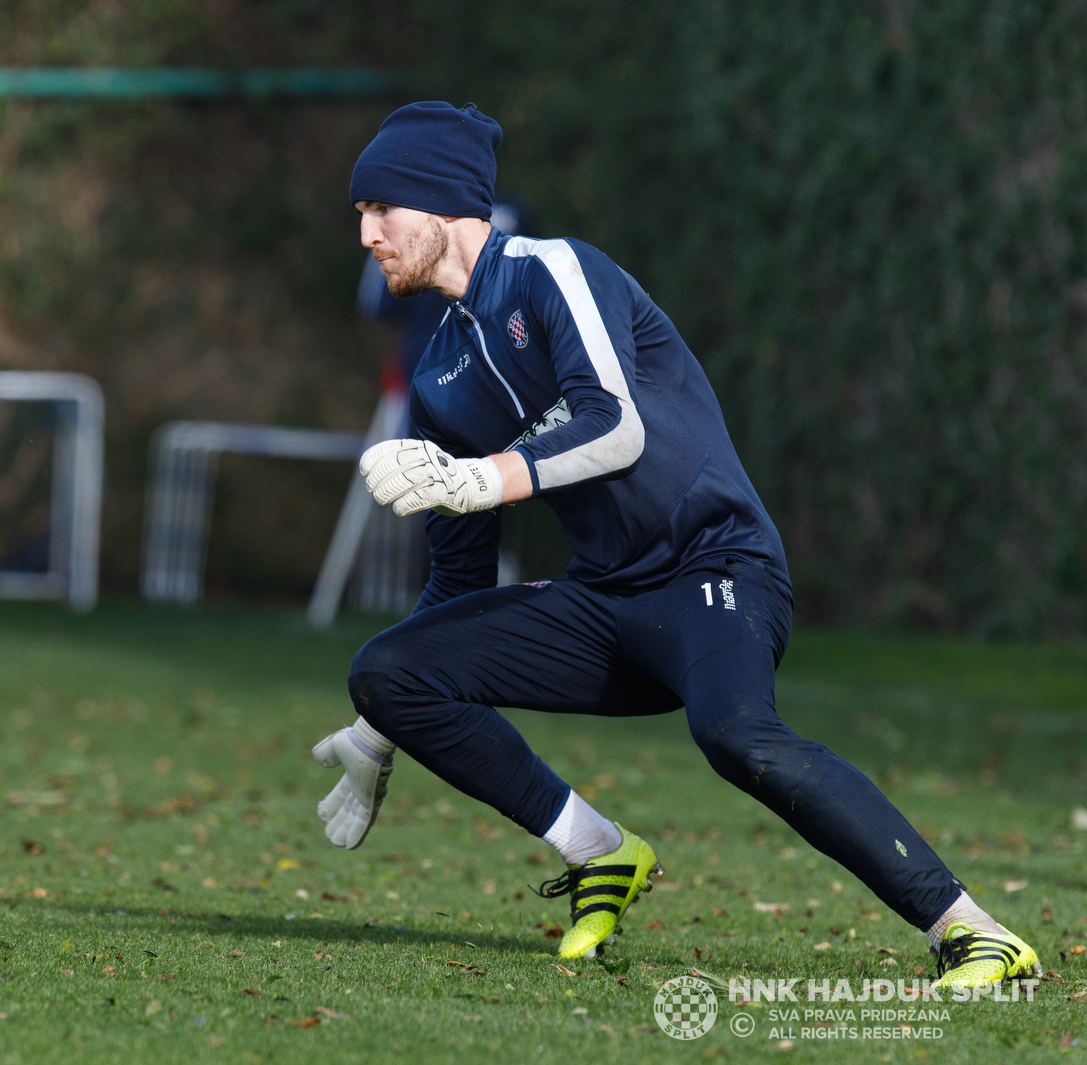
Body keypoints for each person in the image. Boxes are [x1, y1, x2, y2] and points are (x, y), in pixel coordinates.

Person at [311, 100, 1038, 989]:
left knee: (738, 735)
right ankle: (599, 852)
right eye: (360, 217)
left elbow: (616, 425)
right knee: (388, 668)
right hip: (608, 601)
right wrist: (377, 732)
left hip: (716, 569)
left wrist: (482, 476)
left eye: (379, 210)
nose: (368, 236)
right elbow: (458, 579)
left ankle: (972, 930)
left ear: (441, 204)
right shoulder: (438, 375)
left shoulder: (553, 271)